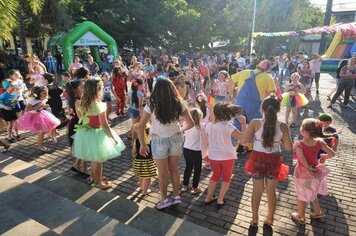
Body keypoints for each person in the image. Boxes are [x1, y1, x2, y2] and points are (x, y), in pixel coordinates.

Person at [137, 78, 194, 209]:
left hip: (159, 140)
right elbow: (190, 123)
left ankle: (164, 199)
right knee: (174, 169)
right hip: (176, 138)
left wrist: (142, 144)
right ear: (172, 89)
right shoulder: (178, 103)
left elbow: (140, 126)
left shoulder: (151, 105)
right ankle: (176, 195)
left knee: (162, 172)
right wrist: (181, 129)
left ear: (156, 90)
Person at [242, 96, 292, 232]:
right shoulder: (283, 125)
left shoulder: (255, 122)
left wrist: (254, 137)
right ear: (278, 109)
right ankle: (270, 218)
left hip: (257, 159)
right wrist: (278, 140)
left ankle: (254, 219)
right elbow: (288, 147)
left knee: (256, 190)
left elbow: (244, 140)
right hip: (274, 159)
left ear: (262, 108)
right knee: (271, 191)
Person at [73, 79, 126, 190]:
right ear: (97, 90)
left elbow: (82, 118)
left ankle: (93, 178)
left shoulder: (83, 103)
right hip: (97, 133)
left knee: (94, 158)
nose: (102, 90)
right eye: (101, 88)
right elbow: (104, 125)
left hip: (85, 132)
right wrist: (113, 138)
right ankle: (98, 182)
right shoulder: (99, 105)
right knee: (99, 160)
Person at [291, 118, 335, 224]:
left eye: (302, 126)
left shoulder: (299, 144)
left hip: (303, 172)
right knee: (312, 191)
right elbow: (332, 154)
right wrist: (324, 157)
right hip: (316, 171)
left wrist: (307, 167)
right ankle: (317, 211)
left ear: (305, 132)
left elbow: (301, 158)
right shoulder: (319, 142)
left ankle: (301, 216)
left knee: (301, 195)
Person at [202, 102, 246, 207]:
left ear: (215, 114)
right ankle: (220, 200)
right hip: (227, 156)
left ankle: (208, 198)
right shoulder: (228, 126)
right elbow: (243, 138)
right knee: (226, 178)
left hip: (213, 156)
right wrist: (243, 124)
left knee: (215, 175)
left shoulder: (208, 126)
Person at [229, 60, 276, 153]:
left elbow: (231, 79)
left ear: (257, 65)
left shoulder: (245, 72)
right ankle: (249, 145)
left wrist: (231, 93)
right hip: (255, 105)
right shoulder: (268, 77)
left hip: (239, 103)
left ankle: (240, 144)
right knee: (253, 124)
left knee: (239, 124)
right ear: (268, 69)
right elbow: (272, 93)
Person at [16, 86, 60, 151]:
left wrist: (44, 106)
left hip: (43, 114)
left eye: (46, 93)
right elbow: (27, 109)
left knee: (52, 124)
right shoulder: (33, 100)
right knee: (42, 131)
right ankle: (40, 146)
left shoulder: (44, 99)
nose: (46, 94)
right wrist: (37, 106)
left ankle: (51, 136)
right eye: (44, 93)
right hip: (35, 116)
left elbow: (42, 106)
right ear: (39, 94)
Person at [65, 79, 90, 176]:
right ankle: (83, 168)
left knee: (83, 147)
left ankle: (77, 165)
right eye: (82, 86)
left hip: (79, 124)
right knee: (84, 147)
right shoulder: (78, 100)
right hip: (80, 125)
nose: (84, 88)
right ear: (76, 90)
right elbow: (81, 117)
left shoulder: (79, 98)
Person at [181, 108, 203, 194]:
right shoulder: (201, 126)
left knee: (188, 167)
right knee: (197, 169)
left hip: (186, 149)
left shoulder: (185, 123)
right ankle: (195, 187)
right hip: (196, 151)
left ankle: (185, 186)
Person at [132, 123, 156, 195]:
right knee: (147, 177)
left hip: (139, 161)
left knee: (141, 176)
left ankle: (142, 187)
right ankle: (145, 191)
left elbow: (133, 152)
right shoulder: (151, 141)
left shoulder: (136, 141)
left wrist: (134, 156)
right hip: (148, 162)